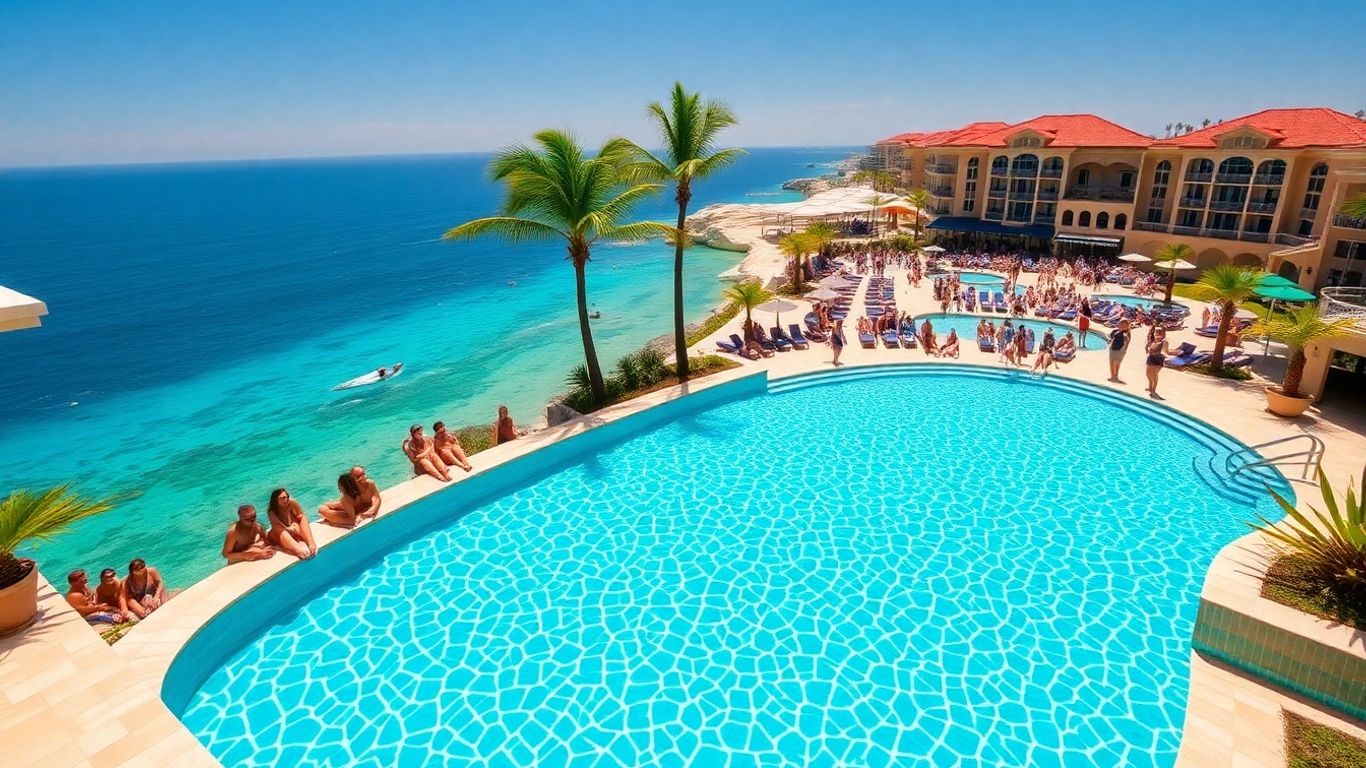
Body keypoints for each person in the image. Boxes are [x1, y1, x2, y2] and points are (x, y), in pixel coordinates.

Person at [318, 465, 383, 527]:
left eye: (363, 474)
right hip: (347, 507)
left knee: (336, 506)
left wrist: (372, 510)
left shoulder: (369, 484)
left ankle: (333, 510)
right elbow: (353, 519)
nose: (362, 478)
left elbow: (377, 498)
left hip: (350, 506)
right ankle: (330, 511)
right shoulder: (347, 497)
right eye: (358, 476)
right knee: (322, 509)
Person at [267, 488, 317, 559]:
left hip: (291, 532)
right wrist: (290, 528)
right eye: (283, 498)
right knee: (282, 532)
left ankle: (311, 543)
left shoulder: (291, 504)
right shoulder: (272, 511)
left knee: (303, 517)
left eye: (287, 496)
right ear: (276, 500)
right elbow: (277, 527)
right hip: (279, 535)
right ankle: (299, 550)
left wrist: (295, 525)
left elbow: (300, 517)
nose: (286, 499)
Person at [1145, 333, 1167, 398]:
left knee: (1154, 375)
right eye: (1156, 335)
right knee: (1148, 373)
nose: (1158, 336)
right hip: (1151, 358)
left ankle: (1153, 390)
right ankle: (1150, 387)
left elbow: (1165, 351)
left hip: (1158, 360)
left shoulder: (1164, 343)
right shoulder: (1153, 342)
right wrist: (1148, 345)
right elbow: (1148, 350)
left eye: (1160, 335)